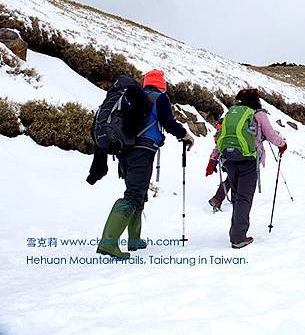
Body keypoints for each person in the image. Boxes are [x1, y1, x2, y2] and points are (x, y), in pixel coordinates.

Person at [96, 70, 194, 258]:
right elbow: (169, 123)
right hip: (142, 152)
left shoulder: (130, 97)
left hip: (124, 152)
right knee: (133, 194)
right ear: (162, 85)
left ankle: (134, 239)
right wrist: (185, 135)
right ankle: (108, 242)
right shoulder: (159, 99)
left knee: (138, 192)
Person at [206, 88, 286, 249]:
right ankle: (238, 237)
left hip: (229, 159)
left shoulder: (231, 113)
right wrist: (282, 144)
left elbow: (220, 137)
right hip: (248, 160)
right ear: (256, 99)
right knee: (244, 198)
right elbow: (270, 135)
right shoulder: (259, 114)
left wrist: (213, 159)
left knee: (237, 197)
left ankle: (235, 232)